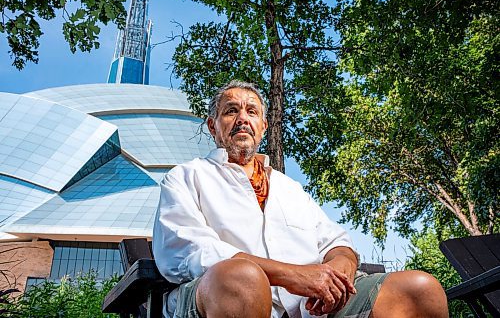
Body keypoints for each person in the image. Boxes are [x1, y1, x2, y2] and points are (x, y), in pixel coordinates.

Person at [153, 80, 448, 318]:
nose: (243, 118)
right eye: (231, 111)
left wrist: (337, 279)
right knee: (241, 278)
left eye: (252, 112)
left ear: (263, 127)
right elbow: (192, 252)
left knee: (419, 289)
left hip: (309, 310)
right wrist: (293, 276)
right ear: (213, 126)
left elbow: (337, 243)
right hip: (220, 298)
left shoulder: (289, 188)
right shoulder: (186, 177)